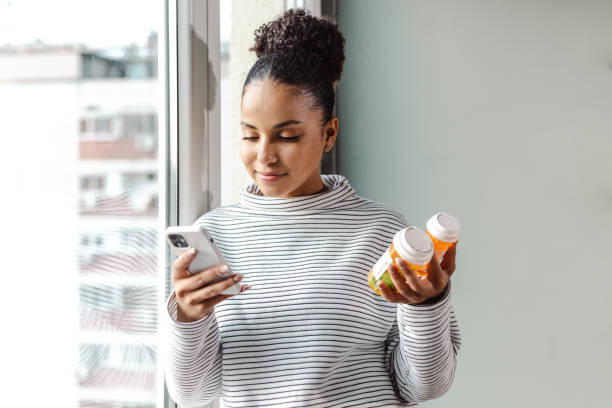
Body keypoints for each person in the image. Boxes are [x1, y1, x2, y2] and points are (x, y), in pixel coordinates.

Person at [163, 8, 461, 408]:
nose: (264, 155)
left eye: (286, 136)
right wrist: (188, 317)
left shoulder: (380, 231)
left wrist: (427, 305)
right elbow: (194, 395)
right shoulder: (214, 235)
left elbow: (424, 386)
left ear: (328, 134)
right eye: (250, 135)